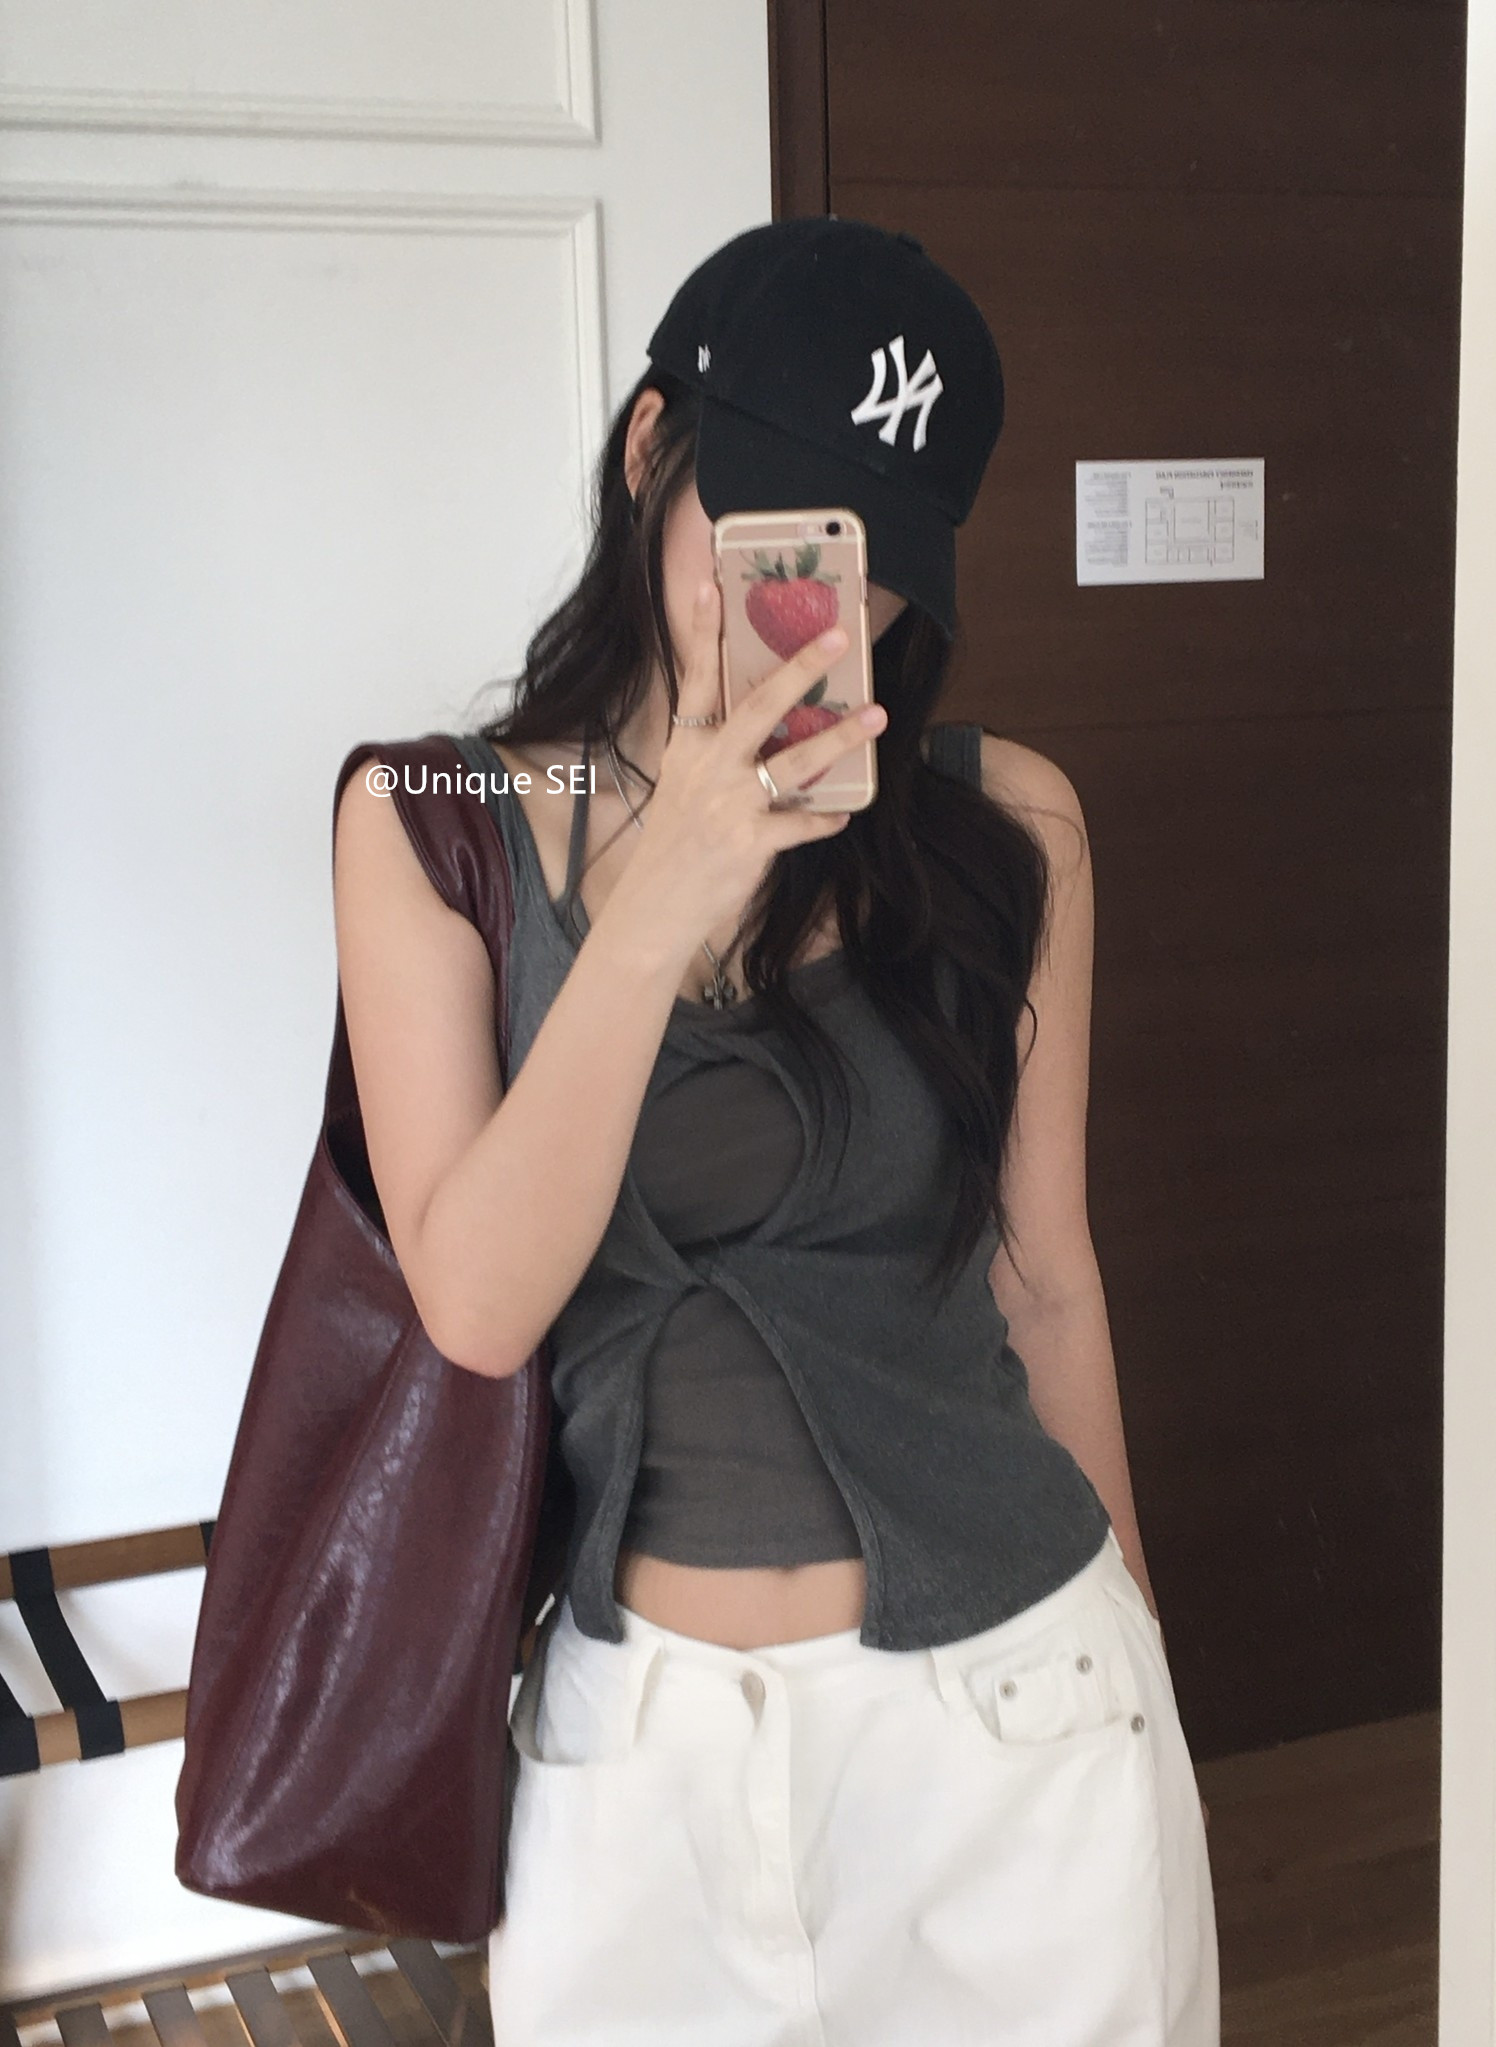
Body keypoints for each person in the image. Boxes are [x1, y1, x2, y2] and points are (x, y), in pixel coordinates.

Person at [332, 217, 1220, 2045]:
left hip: (1021, 1724)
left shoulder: (1006, 825)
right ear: (652, 447)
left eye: (873, 568)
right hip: (641, 1768)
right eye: (782, 542)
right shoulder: (432, 821)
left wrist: (1137, 1650)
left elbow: (1050, 1284)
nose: (821, 613)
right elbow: (480, 1304)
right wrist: (672, 875)